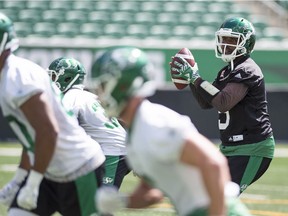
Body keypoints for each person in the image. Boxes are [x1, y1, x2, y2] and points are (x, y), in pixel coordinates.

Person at [90, 46, 251, 216]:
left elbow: (214, 163)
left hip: (219, 209)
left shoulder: (154, 123)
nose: (99, 95)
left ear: (124, 86)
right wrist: (121, 200)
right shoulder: (134, 132)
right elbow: (152, 193)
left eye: (103, 86)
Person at [0, 12, 105, 216]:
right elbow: (31, 134)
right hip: (50, 169)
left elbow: (48, 131)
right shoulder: (8, 74)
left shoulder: (17, 76)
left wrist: (32, 183)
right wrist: (19, 178)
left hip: (79, 169)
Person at [170, 17, 275, 193]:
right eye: (223, 39)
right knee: (207, 195)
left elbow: (223, 102)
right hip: (231, 148)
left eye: (232, 40)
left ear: (246, 43)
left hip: (252, 147)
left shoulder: (247, 69)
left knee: (221, 199)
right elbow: (206, 102)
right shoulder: (227, 71)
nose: (226, 44)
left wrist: (196, 78)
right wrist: (191, 78)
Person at [47, 57, 131, 188]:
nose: (50, 81)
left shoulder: (70, 98)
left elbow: (65, 130)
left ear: (67, 78)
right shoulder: (87, 96)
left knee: (101, 202)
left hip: (112, 152)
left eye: (53, 76)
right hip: (110, 150)